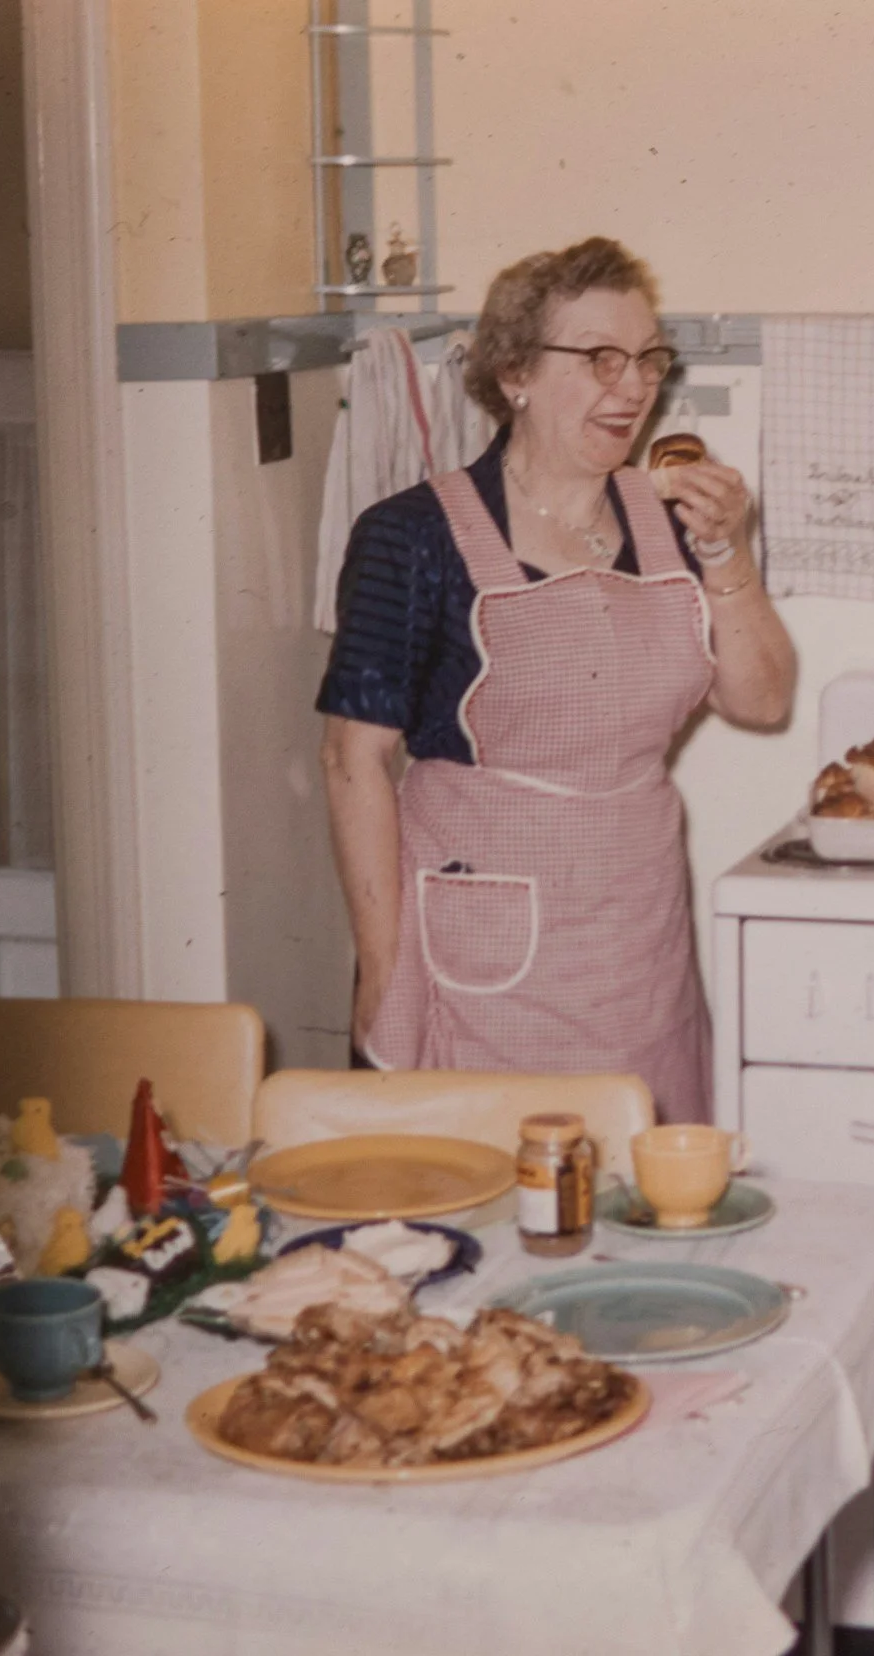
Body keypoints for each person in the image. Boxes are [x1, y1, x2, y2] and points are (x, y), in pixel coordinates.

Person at [317, 236, 796, 1121]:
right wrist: (385, 968)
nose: (635, 387)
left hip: (636, 935)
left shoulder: (673, 520)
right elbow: (352, 760)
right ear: (514, 375)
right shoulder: (412, 535)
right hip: (479, 953)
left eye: (649, 359)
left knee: (636, 1186)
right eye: (600, 359)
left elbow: (762, 701)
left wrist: (729, 553)